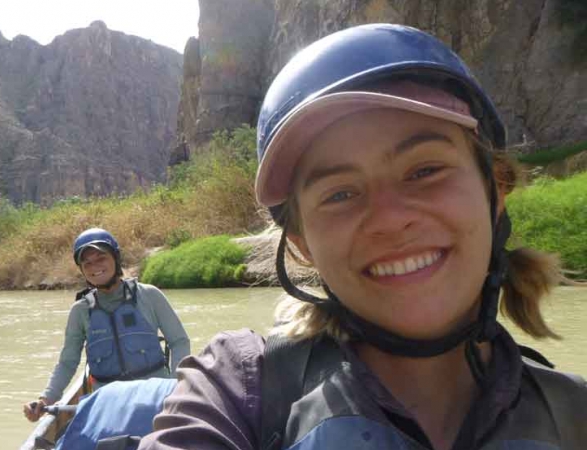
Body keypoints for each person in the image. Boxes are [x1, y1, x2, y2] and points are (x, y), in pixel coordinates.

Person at [138, 24, 586, 450]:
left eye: (425, 170)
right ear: (302, 243)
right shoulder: (237, 387)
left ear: (496, 190)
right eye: (340, 194)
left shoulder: (576, 412)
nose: (389, 220)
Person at [24, 227, 190, 423]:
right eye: (87, 263)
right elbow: (68, 362)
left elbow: (179, 341)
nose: (95, 267)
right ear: (82, 270)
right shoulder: (80, 311)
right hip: (107, 403)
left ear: (115, 258)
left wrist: (175, 387)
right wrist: (45, 399)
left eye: (101, 258)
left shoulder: (149, 295)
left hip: (154, 397)